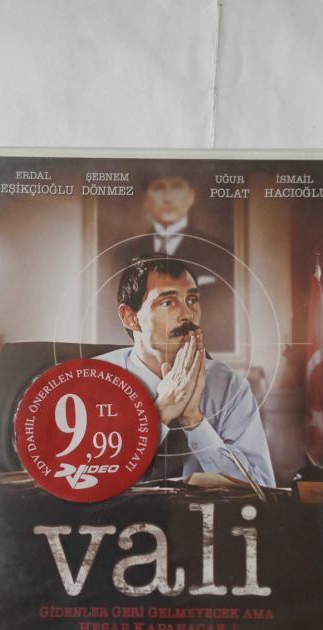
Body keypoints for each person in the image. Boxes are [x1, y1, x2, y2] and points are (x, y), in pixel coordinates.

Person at [96, 257, 275, 487]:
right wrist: (160, 414)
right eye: (168, 302)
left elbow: (263, 488)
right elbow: (90, 486)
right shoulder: (96, 382)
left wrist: (194, 421)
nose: (188, 314)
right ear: (131, 317)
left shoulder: (228, 385)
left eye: (192, 300)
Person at [113, 170, 235, 353]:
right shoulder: (121, 255)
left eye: (177, 187)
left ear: (191, 196)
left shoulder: (222, 254)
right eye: (159, 188)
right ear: (146, 198)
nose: (168, 198)